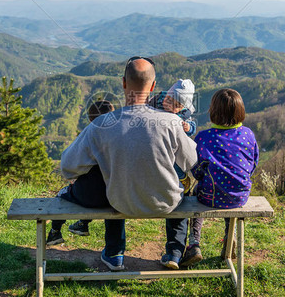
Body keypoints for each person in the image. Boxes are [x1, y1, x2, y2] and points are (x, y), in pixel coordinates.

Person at [59, 56, 198, 271]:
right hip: (167, 201)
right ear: (153, 87)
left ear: (123, 82)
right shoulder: (172, 123)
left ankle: (114, 254)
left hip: (120, 201)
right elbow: (192, 162)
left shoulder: (102, 125)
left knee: (113, 179)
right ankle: (174, 252)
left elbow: (67, 167)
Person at [180, 88, 259, 267]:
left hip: (210, 196)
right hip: (240, 196)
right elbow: (253, 164)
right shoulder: (248, 134)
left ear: (213, 112)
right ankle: (229, 240)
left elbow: (197, 171)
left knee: (197, 190)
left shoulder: (204, 138)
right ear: (240, 111)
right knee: (228, 185)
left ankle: (194, 243)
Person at [46, 100, 115, 245]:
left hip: (90, 197)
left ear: (90, 120)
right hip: (115, 197)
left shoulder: (90, 135)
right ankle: (83, 224)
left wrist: (74, 176)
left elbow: (68, 164)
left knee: (63, 193)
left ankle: (55, 232)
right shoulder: (119, 136)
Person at [148, 79, 197, 193]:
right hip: (157, 138)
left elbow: (192, 126)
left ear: (182, 107)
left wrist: (188, 128)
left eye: (176, 105)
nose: (169, 105)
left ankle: (182, 179)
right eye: (169, 99)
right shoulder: (156, 101)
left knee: (175, 164)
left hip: (173, 143)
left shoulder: (184, 114)